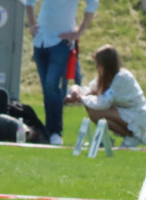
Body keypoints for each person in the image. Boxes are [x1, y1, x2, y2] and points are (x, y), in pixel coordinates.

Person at [23, 0, 97, 146]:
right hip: (41, 40)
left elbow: (93, 3)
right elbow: (29, 2)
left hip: (61, 42)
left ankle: (55, 131)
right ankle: (49, 131)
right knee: (47, 88)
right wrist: (31, 24)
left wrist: (80, 31)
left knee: (52, 85)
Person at [65, 45, 146, 148]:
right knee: (92, 108)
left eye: (98, 64)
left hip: (137, 116)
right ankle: (105, 139)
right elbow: (89, 89)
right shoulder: (106, 77)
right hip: (124, 113)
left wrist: (82, 99)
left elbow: (103, 102)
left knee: (94, 110)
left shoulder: (122, 78)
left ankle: (132, 137)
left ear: (106, 65)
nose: (96, 67)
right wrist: (75, 90)